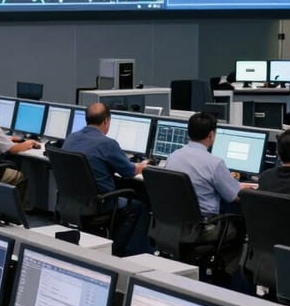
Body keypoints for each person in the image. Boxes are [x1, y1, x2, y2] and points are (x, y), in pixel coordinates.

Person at [164, 112, 250, 273]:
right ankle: (224, 275)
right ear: (211, 135)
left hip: (175, 224)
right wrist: (245, 187)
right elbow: (234, 197)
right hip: (203, 227)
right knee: (239, 226)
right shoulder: (214, 163)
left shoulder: (173, 157)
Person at [62, 102, 149, 255]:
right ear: (106, 121)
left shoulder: (71, 138)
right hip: (99, 203)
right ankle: (117, 252)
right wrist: (142, 166)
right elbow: (128, 172)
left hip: (72, 200)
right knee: (137, 206)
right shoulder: (107, 144)